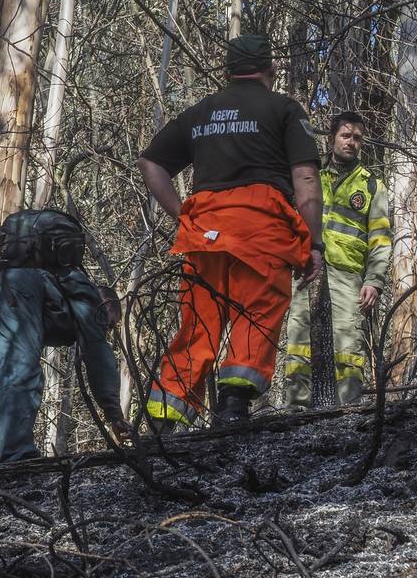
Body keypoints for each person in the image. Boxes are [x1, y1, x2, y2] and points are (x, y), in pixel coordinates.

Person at [137, 34, 323, 429]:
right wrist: (313, 243)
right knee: (257, 314)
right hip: (262, 231)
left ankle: (162, 422)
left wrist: (181, 215)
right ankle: (233, 408)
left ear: (227, 71)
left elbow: (151, 162)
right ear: (270, 70)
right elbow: (305, 179)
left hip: (204, 233)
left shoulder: (200, 112)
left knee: (198, 324)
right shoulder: (283, 109)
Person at [0, 210, 129, 465]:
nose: (106, 327)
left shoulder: (60, 280)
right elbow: (97, 353)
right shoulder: (86, 293)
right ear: (106, 303)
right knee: (21, 373)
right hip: (14, 292)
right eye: (109, 322)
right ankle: (16, 457)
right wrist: (114, 414)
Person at [283, 111, 391, 406]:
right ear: (331, 139)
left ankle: (349, 413)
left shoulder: (372, 185)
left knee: (349, 346)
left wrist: (374, 281)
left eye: (357, 138)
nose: (351, 142)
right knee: (299, 341)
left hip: (349, 275)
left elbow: (381, 240)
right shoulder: (310, 177)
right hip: (307, 269)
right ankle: (296, 409)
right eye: (346, 135)